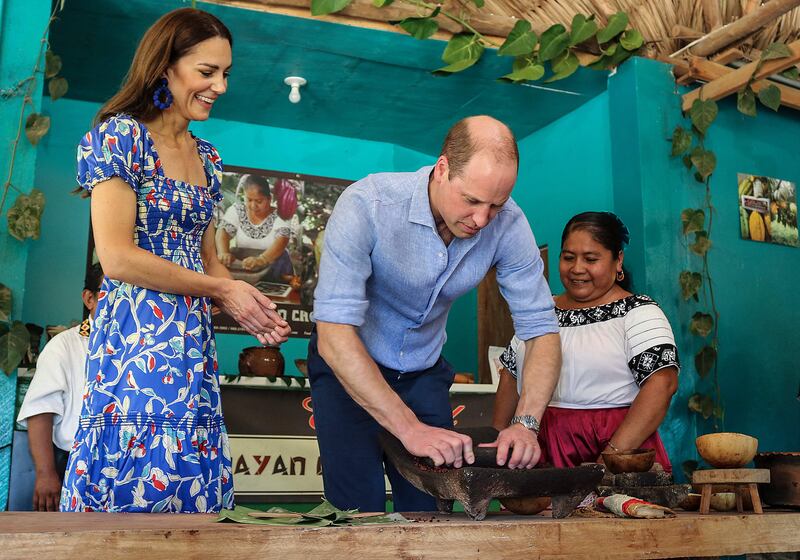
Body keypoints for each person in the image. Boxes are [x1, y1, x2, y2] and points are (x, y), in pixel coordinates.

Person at [61, 8, 290, 513]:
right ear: (165, 67)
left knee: (189, 480)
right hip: (134, 339)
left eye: (225, 73)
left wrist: (247, 303)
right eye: (207, 72)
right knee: (136, 476)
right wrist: (220, 291)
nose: (220, 86)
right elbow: (117, 258)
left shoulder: (206, 157)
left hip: (191, 340)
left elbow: (211, 258)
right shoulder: (121, 137)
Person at [308, 115, 562, 513]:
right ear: (442, 169)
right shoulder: (367, 204)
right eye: (472, 200)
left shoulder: (510, 223)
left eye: (496, 205)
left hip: (423, 372)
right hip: (349, 367)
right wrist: (409, 429)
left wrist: (526, 423)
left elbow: (542, 330)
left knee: (432, 509)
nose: (482, 220)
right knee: (357, 511)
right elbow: (334, 333)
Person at [493, 212, 679, 471]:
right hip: (540, 449)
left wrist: (610, 457)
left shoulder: (638, 313)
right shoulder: (540, 311)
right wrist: (497, 441)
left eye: (591, 259)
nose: (577, 268)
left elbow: (662, 384)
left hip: (619, 449)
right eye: (568, 257)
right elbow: (511, 373)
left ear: (618, 261)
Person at [16, 264, 103, 511]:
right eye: (112, 294)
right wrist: (46, 474)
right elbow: (41, 411)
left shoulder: (139, 348)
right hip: (74, 465)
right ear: (89, 298)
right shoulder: (64, 346)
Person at [216, 174, 294, 280]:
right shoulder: (236, 210)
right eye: (249, 200)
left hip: (276, 269)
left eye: (259, 201)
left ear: (269, 199)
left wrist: (262, 260)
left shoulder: (281, 215)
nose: (253, 206)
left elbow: (282, 241)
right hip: (245, 270)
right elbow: (223, 232)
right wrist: (223, 252)